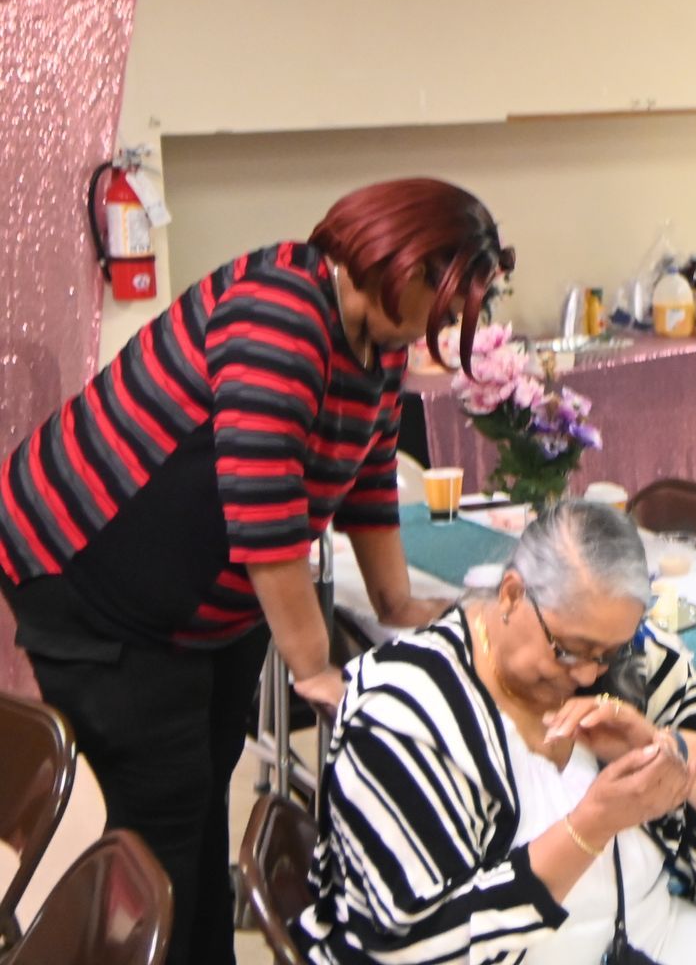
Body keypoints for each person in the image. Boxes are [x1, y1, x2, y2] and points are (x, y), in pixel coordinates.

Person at [0, 178, 511, 965]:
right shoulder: (279, 313)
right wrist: (316, 670)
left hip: (203, 595)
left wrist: (397, 602)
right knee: (162, 816)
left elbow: (370, 473)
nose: (442, 328)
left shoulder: (379, 339)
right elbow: (266, 516)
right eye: (444, 306)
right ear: (405, 267)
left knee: (209, 779)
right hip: (90, 578)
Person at [296, 501, 696, 963]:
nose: (587, 674)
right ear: (511, 594)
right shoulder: (403, 709)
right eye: (567, 649)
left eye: (607, 653)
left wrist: (656, 742)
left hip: (644, 933)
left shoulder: (624, 662)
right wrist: (590, 825)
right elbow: (417, 945)